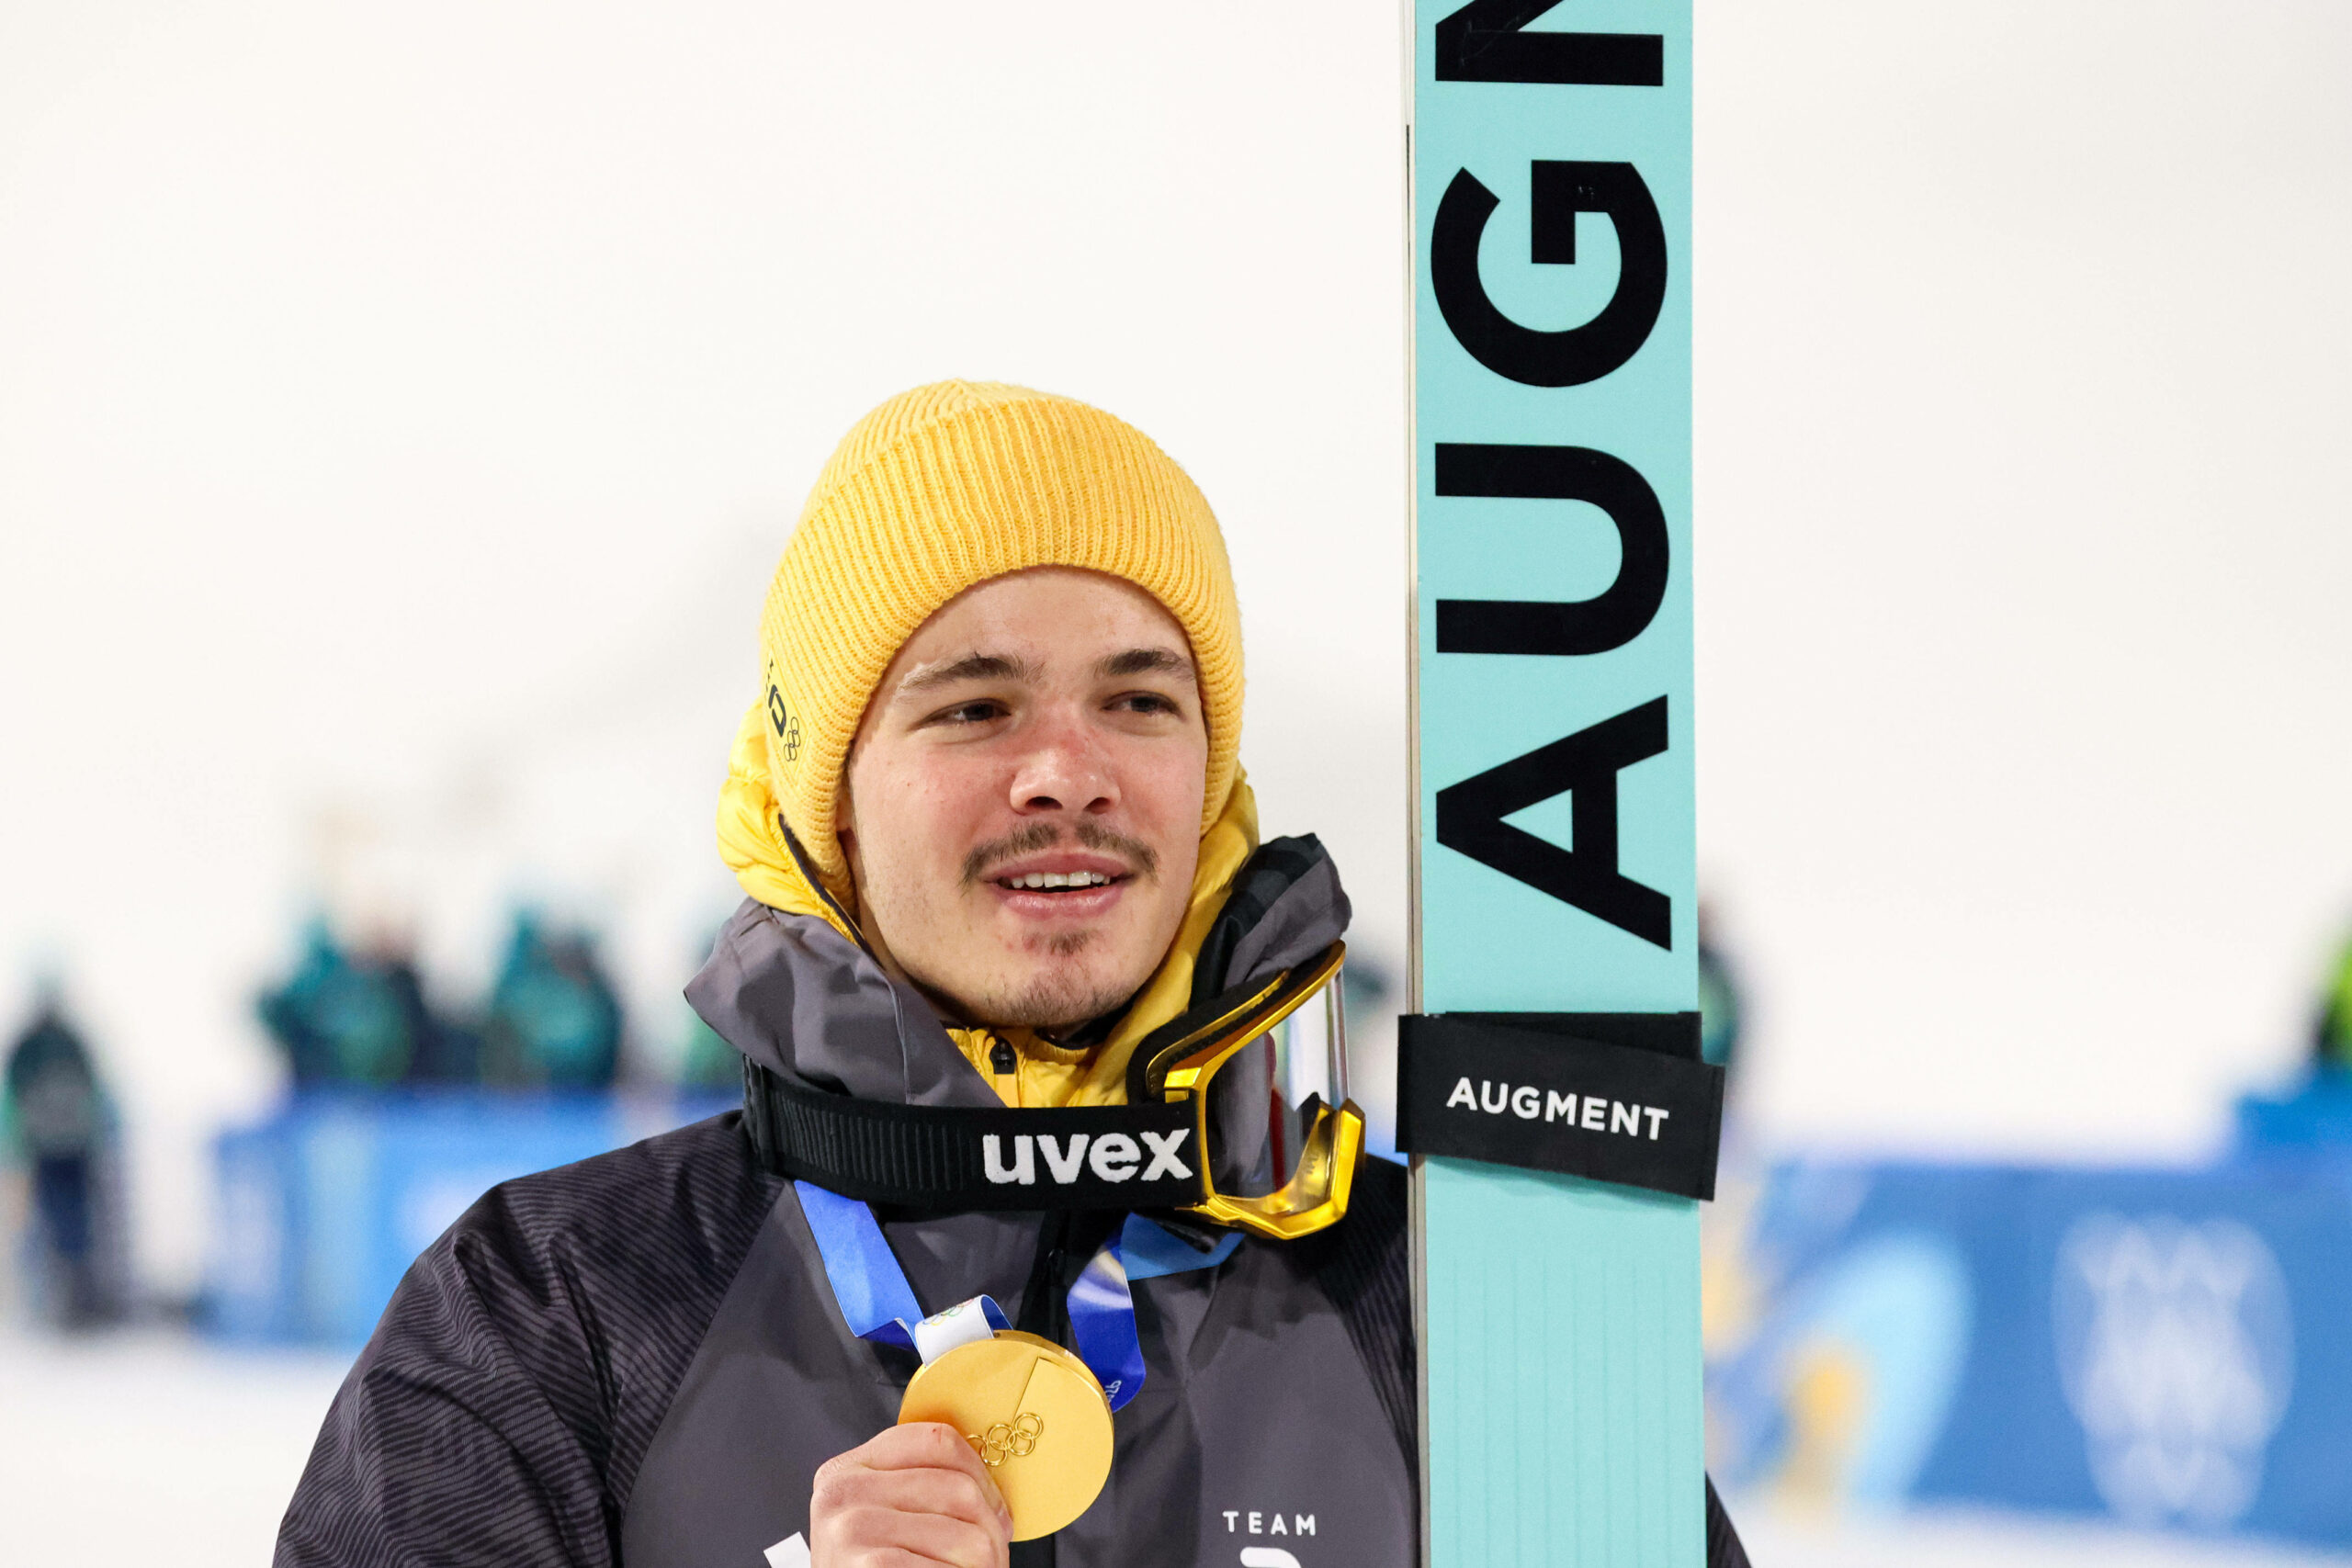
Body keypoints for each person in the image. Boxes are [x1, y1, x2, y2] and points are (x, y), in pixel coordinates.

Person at [277, 381, 1747, 1567]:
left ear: (1210, 779)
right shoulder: (554, 1312)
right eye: (974, 705)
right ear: (829, 799)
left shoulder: (1440, 1299)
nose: (1067, 771)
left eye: (1138, 697)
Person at [4, 987, 115, 1326]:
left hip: (55, 1147)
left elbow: (12, 1095)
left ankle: (71, 1301)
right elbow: (94, 1088)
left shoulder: (34, 1044)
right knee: (70, 1223)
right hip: (67, 1147)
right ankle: (69, 1300)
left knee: (61, 1223)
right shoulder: (65, 1041)